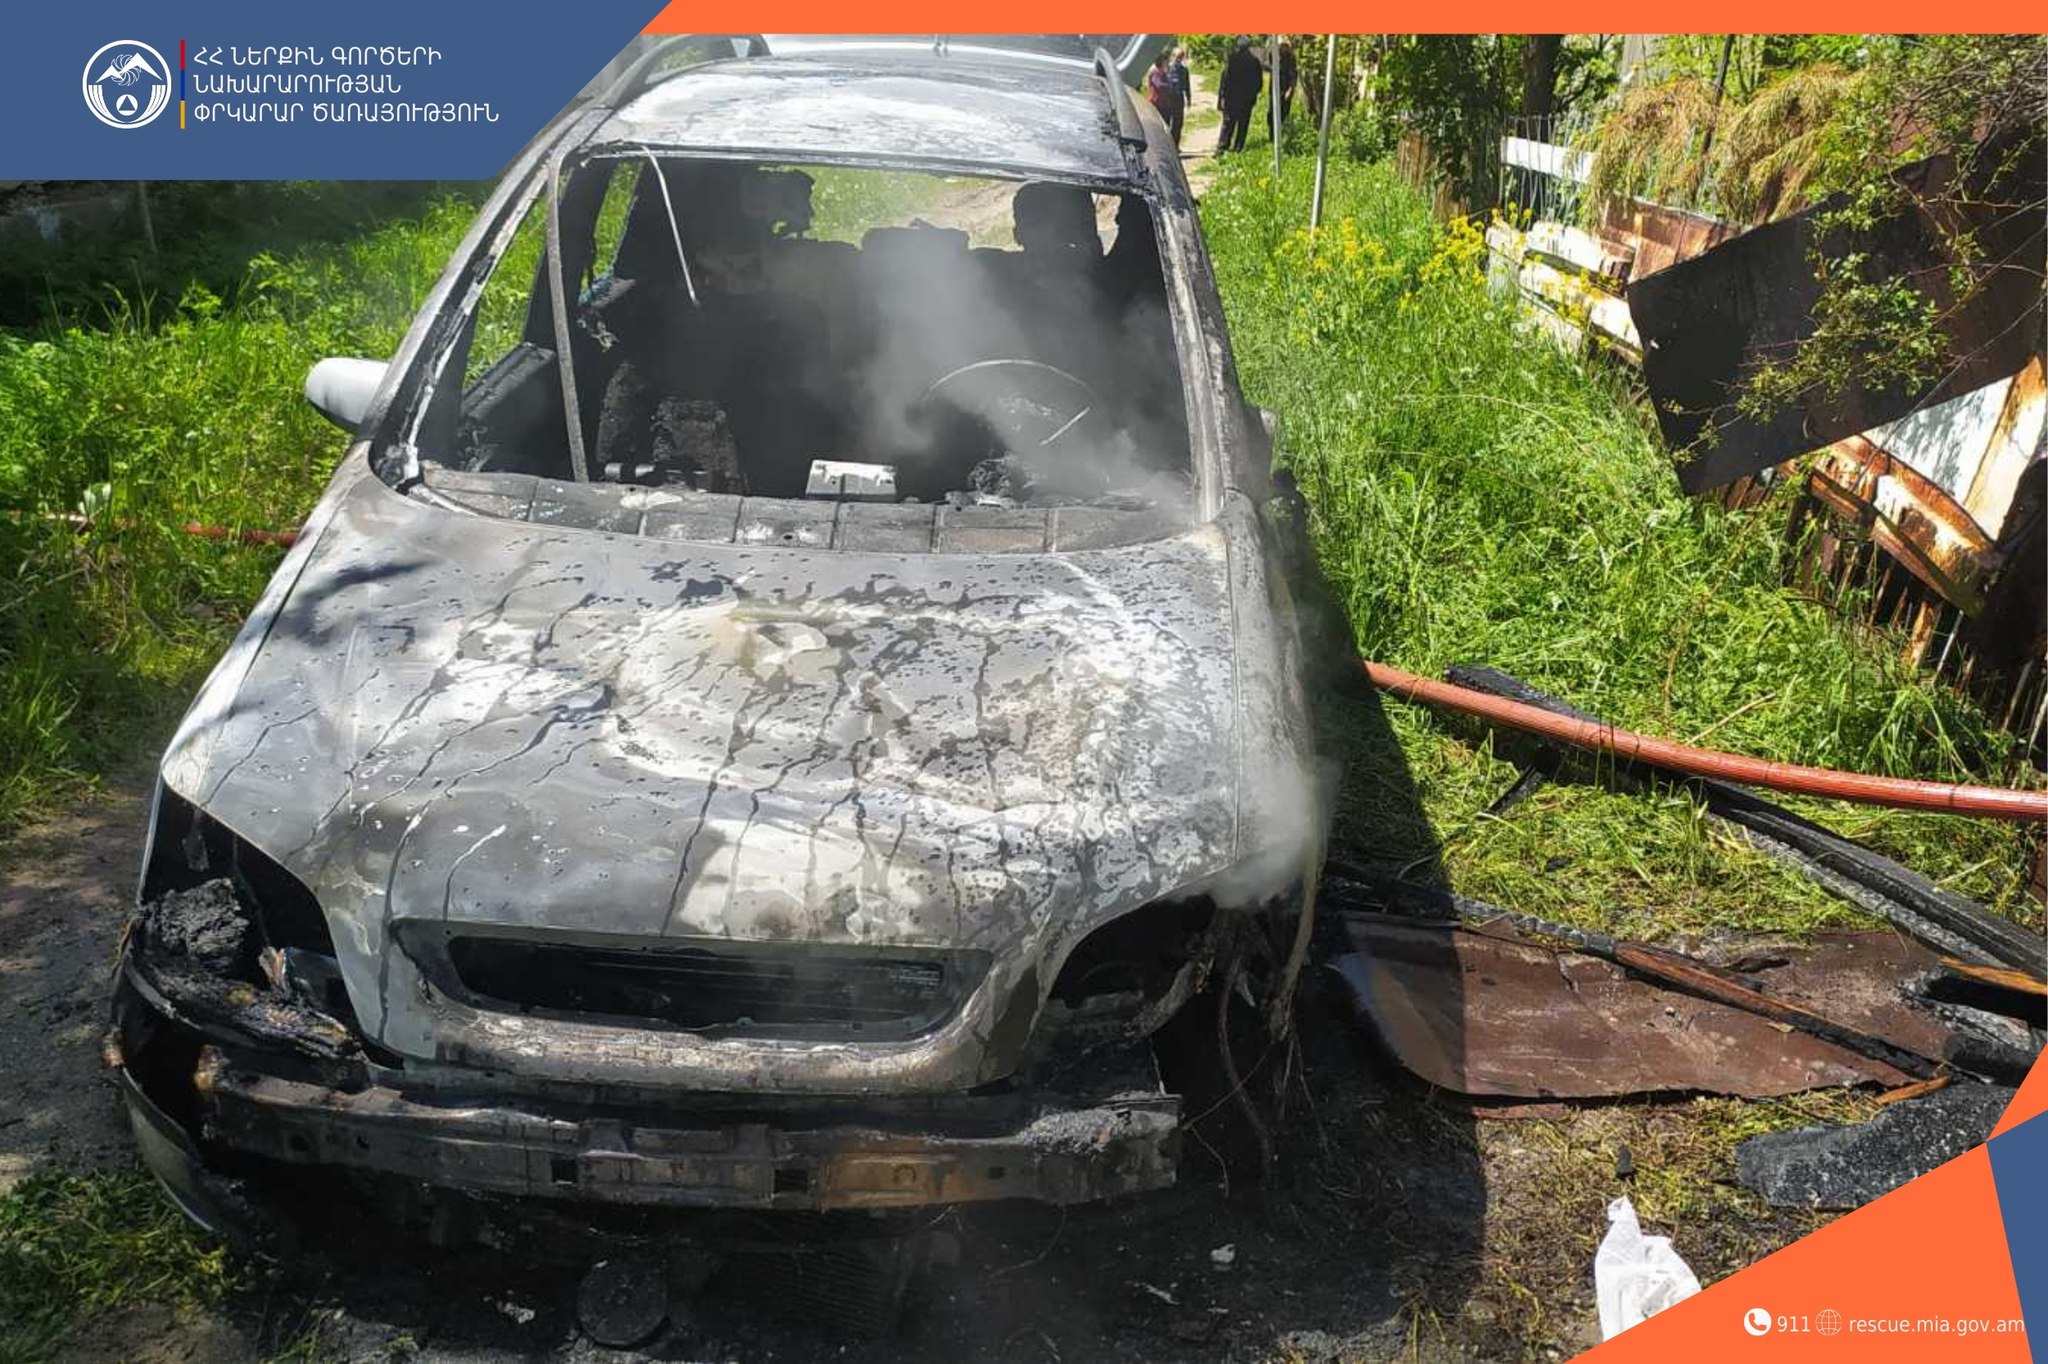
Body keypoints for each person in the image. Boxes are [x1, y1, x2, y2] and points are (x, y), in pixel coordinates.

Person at [1218, 37, 1263, 155]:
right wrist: (1253, 94)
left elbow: (1225, 79)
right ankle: (1238, 147)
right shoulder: (1254, 61)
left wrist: (1223, 95)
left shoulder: (1232, 59)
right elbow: (1259, 82)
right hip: (1247, 99)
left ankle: (1222, 147)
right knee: (1243, 124)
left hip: (1232, 97)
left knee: (1228, 123)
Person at [1146, 49, 1185, 146]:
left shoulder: (1164, 73)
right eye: (1165, 61)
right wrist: (1170, 85)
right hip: (1156, 104)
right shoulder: (1154, 72)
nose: (1167, 63)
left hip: (1165, 104)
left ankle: (1167, 145)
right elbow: (1158, 85)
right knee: (1158, 127)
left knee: (1166, 127)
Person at [1274, 41, 1298, 125]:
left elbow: (1293, 75)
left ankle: (1282, 128)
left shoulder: (1290, 59)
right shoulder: (1276, 57)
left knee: (1283, 113)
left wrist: (1290, 90)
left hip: (1285, 90)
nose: (1281, 48)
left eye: (1284, 46)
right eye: (1280, 46)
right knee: (1272, 114)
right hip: (1275, 90)